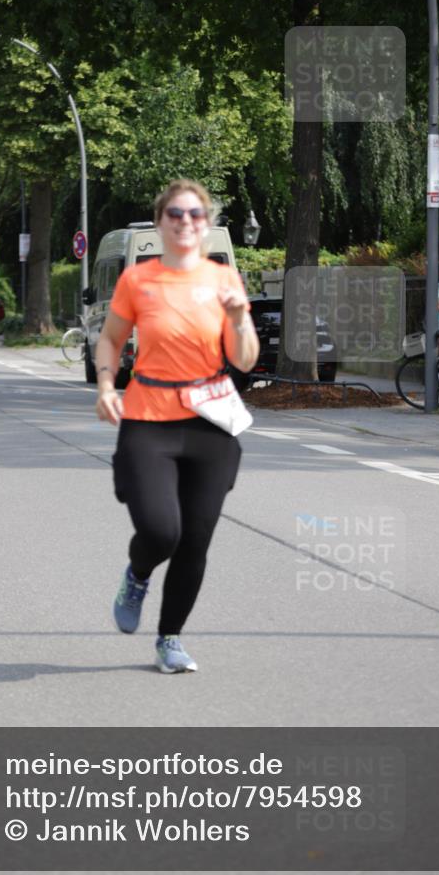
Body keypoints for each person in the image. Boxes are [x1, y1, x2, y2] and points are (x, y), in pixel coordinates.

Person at [95, 180, 259, 673]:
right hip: (148, 418)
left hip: (210, 421)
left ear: (206, 224)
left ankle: (170, 639)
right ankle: (137, 573)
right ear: (160, 221)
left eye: (195, 214)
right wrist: (106, 385)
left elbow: (245, 360)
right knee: (161, 530)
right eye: (175, 214)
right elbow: (110, 339)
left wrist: (239, 319)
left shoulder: (225, 280)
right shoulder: (138, 280)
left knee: (195, 540)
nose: (185, 222)